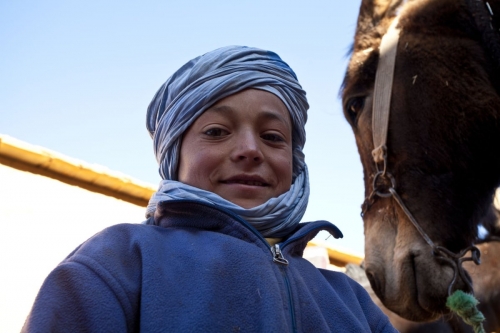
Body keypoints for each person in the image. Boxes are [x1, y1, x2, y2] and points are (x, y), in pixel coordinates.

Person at [22, 46, 397, 332]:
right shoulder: (116, 262)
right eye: (216, 132)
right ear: (174, 154)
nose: (250, 150)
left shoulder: (351, 300)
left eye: (272, 136)